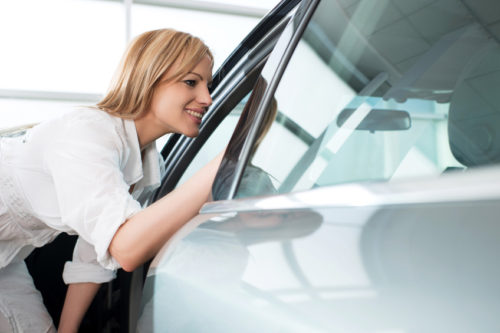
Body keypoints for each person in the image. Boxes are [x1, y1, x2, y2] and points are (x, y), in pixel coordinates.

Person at [0, 28, 222, 332]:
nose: (207, 98)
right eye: (191, 82)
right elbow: (126, 249)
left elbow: (95, 251)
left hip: (8, 259)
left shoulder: (148, 162)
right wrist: (225, 162)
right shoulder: (88, 134)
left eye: (208, 85)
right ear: (149, 77)